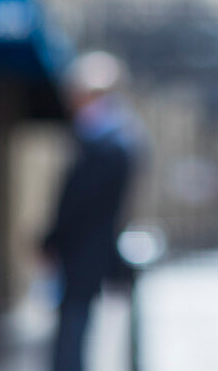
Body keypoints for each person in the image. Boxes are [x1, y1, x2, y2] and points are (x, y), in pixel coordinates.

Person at [41, 51, 141, 371]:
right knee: (72, 329)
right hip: (85, 252)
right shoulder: (107, 139)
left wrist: (53, 238)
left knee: (73, 331)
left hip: (84, 253)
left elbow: (80, 202)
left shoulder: (109, 144)